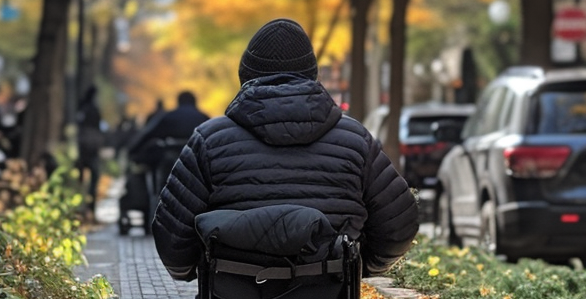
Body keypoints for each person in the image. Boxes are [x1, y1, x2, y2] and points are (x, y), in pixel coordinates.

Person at [152, 18, 419, 281]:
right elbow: (399, 224)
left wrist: (191, 268)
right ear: (312, 76)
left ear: (246, 76)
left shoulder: (210, 140)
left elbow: (172, 235)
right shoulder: (355, 140)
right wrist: (361, 266)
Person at [128, 89, 210, 197]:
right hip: (197, 161)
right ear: (195, 102)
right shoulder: (204, 118)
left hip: (171, 159)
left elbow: (148, 134)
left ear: (178, 101)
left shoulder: (168, 116)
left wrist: (132, 150)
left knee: (164, 190)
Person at [75, 84, 106, 220]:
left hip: (82, 148)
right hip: (92, 149)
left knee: (80, 179)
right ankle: (90, 209)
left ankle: (79, 208)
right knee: (94, 179)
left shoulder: (82, 109)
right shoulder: (94, 110)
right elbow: (99, 128)